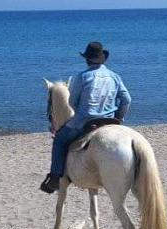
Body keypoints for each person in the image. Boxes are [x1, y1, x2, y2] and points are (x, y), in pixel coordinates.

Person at [40, 41, 131, 193]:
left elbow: (72, 102)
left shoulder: (82, 77)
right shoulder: (115, 76)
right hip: (110, 121)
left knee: (59, 141)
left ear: (87, 59)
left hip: (85, 122)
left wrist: (82, 113)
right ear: (102, 59)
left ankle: (55, 178)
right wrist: (119, 118)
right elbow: (127, 100)